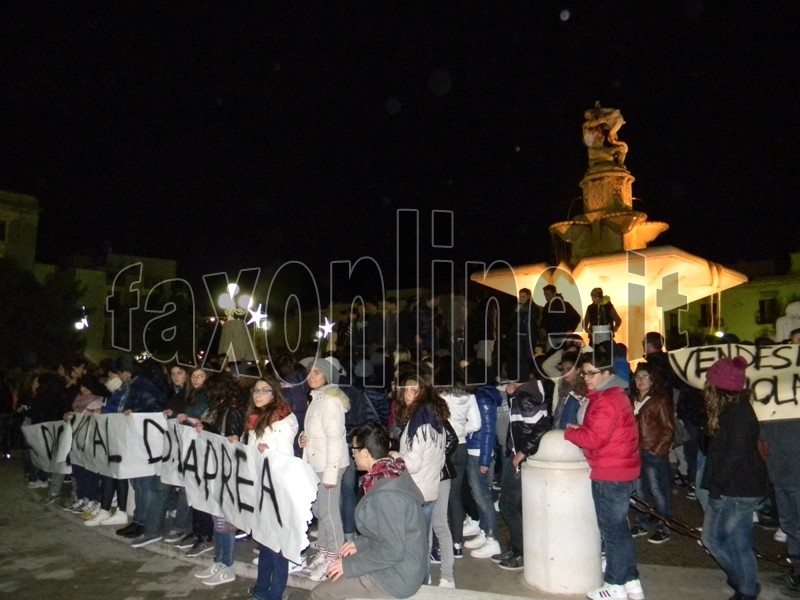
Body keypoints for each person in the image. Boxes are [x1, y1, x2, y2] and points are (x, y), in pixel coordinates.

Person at [310, 422, 427, 600]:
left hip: (397, 577)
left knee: (320, 593)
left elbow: (392, 550)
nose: (353, 455)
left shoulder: (386, 494)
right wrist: (360, 543)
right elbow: (387, 530)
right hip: (403, 565)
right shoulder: (392, 471)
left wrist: (349, 566)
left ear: (365, 453)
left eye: (354, 450)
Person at [564, 352, 643, 600]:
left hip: (610, 471)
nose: (586, 377)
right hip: (621, 468)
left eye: (592, 373)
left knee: (611, 531)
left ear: (607, 374)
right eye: (585, 372)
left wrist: (571, 434)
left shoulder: (606, 400)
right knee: (620, 530)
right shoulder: (615, 396)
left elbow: (594, 438)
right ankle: (631, 582)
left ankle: (615, 585)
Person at [700, 356, 768, 600]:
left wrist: (717, 486)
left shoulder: (737, 413)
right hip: (739, 487)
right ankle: (746, 586)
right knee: (738, 543)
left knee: (713, 539)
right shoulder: (733, 409)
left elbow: (734, 454)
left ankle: (743, 583)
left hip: (737, 489)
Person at [239, 376, 299, 600]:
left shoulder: (282, 421)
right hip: (260, 488)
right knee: (264, 541)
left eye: (265, 391)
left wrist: (269, 450)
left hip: (277, 489)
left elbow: (285, 457)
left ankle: (275, 594)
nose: (259, 395)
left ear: (275, 394)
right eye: (256, 391)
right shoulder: (255, 420)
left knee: (277, 546)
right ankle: (261, 589)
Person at [299, 359, 350, 581]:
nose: (312, 375)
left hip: (330, 464)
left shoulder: (329, 400)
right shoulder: (317, 397)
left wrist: (330, 473)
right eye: (310, 372)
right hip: (317, 462)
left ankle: (335, 560)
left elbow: (335, 438)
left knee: (329, 514)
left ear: (327, 376)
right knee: (321, 510)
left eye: (317, 372)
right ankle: (325, 551)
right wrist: (304, 438)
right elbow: (317, 432)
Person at [494, 378, 552, 572]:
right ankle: (515, 548)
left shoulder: (524, 398)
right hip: (518, 457)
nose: (506, 387)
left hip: (521, 459)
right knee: (513, 505)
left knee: (508, 505)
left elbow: (542, 425)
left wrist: (523, 451)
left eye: (509, 382)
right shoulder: (523, 396)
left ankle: (521, 552)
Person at [629, 363, 675, 545]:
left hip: (652, 452)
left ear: (652, 380)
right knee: (639, 490)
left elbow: (668, 429)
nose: (641, 381)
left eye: (645, 377)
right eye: (638, 377)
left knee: (659, 491)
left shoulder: (659, 400)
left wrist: (656, 450)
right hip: (635, 452)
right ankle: (642, 523)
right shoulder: (631, 399)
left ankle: (665, 527)